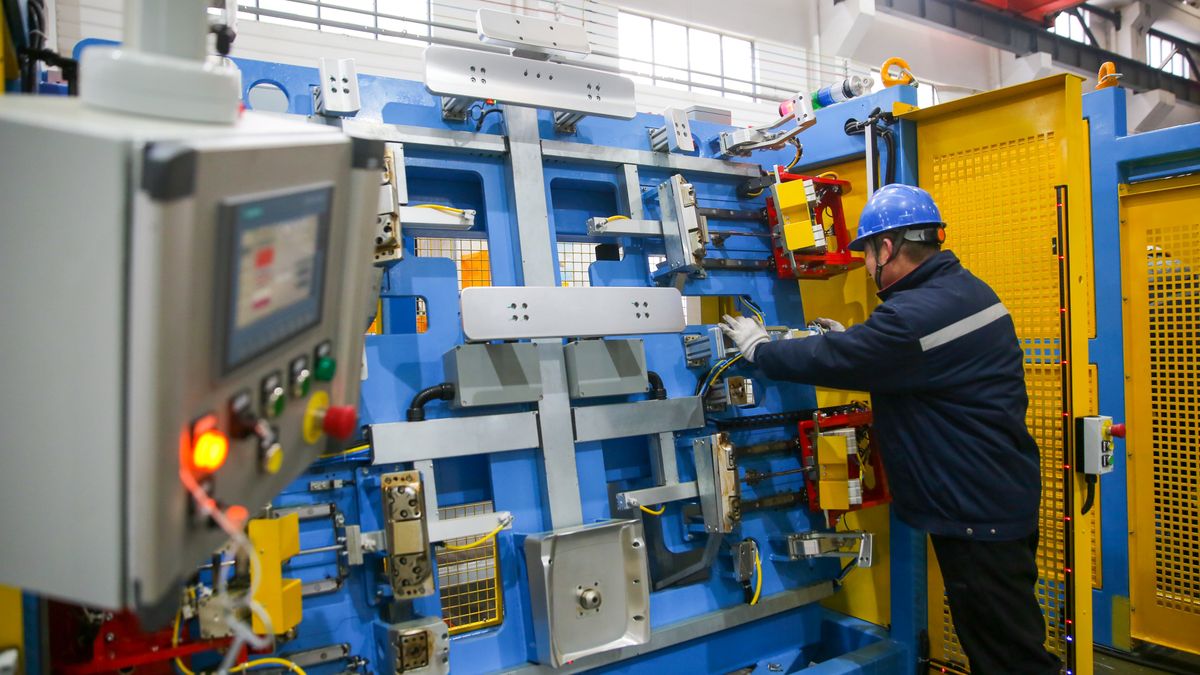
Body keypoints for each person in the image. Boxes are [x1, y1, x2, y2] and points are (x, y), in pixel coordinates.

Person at [721, 184, 1060, 675]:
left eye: (865, 252)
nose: (863, 263)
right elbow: (900, 359)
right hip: (995, 496)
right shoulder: (966, 291)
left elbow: (852, 355)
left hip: (976, 511)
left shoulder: (915, 316)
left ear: (887, 247)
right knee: (1004, 640)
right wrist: (861, 344)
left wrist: (760, 350)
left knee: (1009, 657)